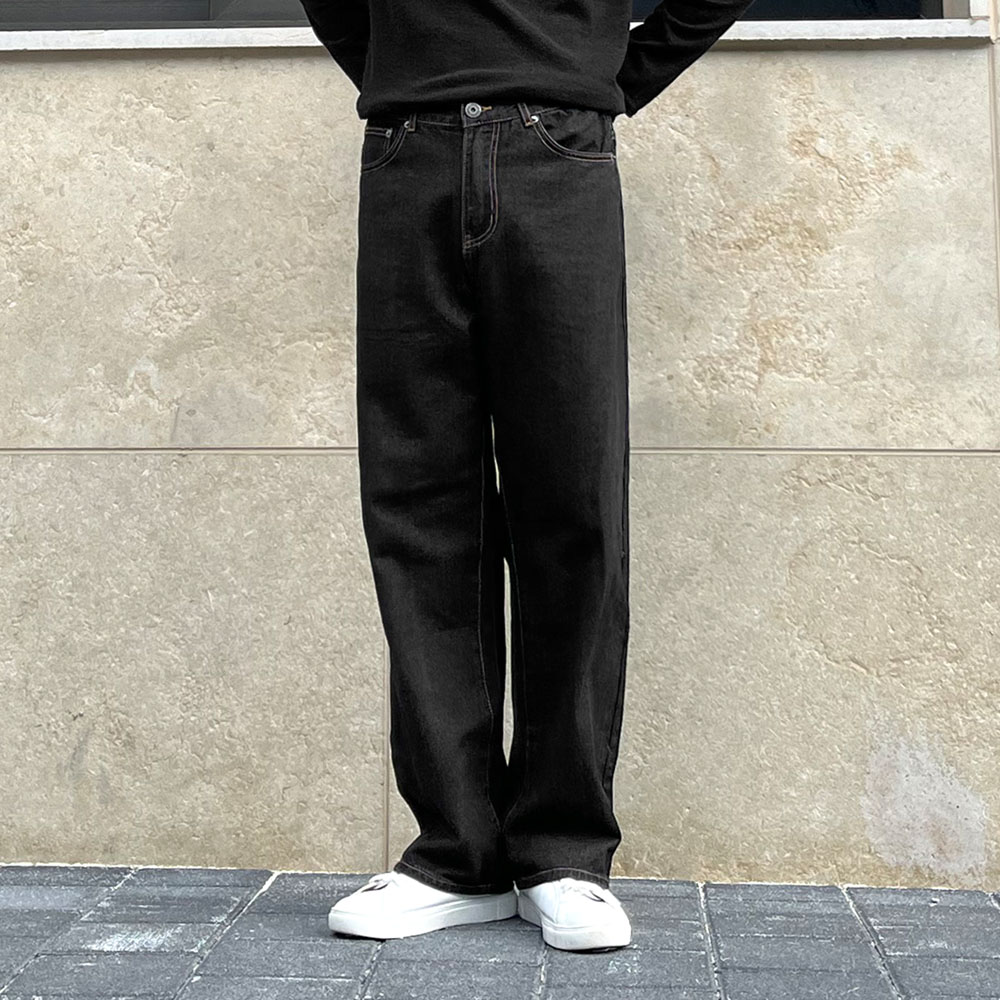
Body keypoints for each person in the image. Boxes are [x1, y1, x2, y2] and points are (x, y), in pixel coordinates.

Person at [299, 0, 757, 953]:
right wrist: (402, 75)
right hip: (406, 151)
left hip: (560, 155)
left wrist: (601, 80)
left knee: (572, 507)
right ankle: (456, 855)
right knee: (421, 506)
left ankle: (564, 853)